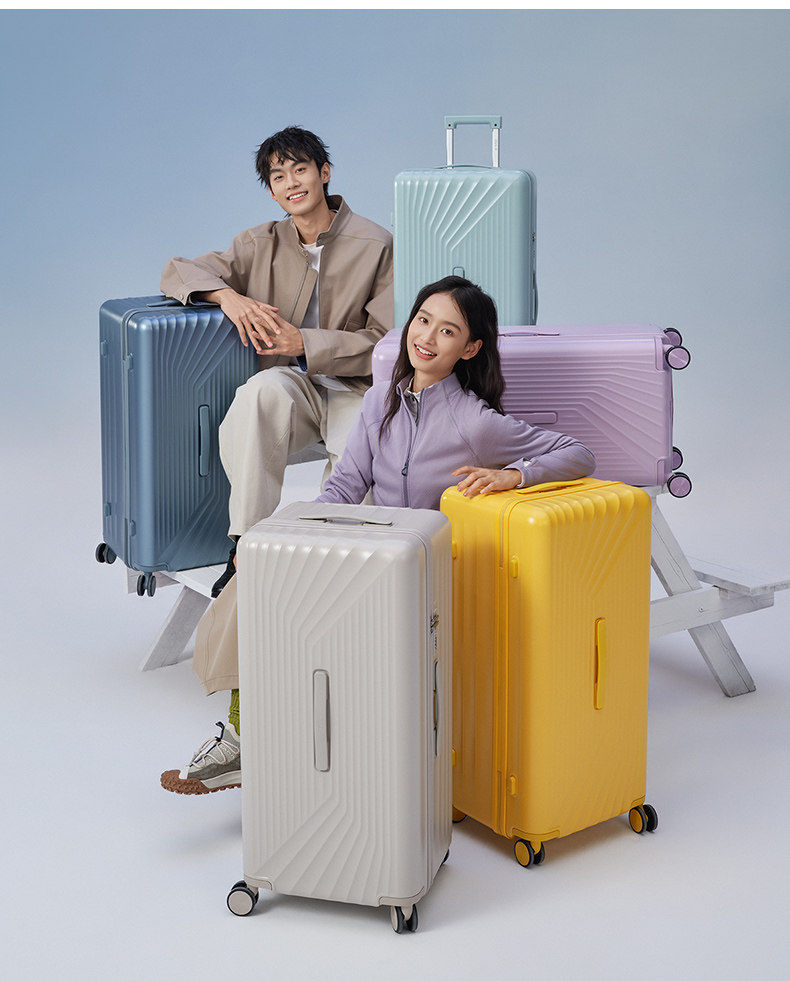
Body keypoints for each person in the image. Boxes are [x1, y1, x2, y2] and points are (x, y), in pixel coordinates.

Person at [160, 276, 596, 795]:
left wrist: (513, 474)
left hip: (424, 572)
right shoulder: (380, 403)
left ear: (470, 348)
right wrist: (291, 538)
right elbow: (346, 485)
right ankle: (244, 739)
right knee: (259, 573)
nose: (427, 337)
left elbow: (579, 453)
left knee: (295, 607)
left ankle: (259, 741)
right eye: (423, 320)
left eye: (448, 330)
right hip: (372, 551)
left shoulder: (475, 423)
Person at [160, 126, 393, 597]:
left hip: (356, 387)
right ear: (271, 191)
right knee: (257, 396)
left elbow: (385, 344)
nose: (291, 183)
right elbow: (178, 270)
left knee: (358, 457)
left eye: (300, 170)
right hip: (295, 387)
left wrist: (304, 341)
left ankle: (334, 567)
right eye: (278, 176)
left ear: (324, 173)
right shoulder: (257, 243)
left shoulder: (376, 243)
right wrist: (228, 297)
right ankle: (246, 547)